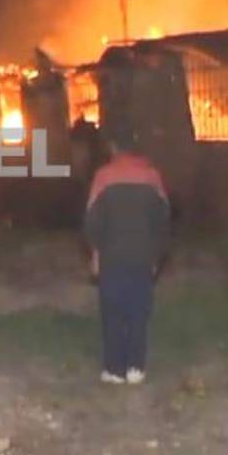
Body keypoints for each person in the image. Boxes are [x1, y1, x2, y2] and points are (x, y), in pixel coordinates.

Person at [84, 128, 170, 385]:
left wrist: (95, 253)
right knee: (138, 313)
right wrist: (157, 254)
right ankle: (135, 367)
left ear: (113, 148)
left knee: (112, 312)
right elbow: (163, 220)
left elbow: (92, 220)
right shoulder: (153, 177)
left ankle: (114, 368)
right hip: (143, 256)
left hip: (112, 256)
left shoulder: (103, 177)